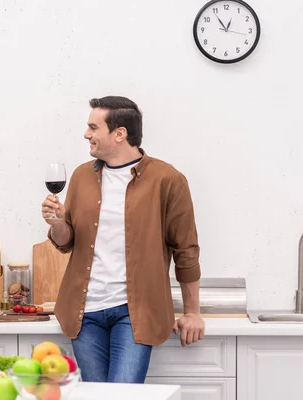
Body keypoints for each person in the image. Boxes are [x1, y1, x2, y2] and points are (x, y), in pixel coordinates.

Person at [41, 96, 205, 383]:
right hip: (85, 311)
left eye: (93, 127)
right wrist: (57, 224)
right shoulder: (81, 176)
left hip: (135, 313)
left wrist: (192, 312)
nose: (86, 134)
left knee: (123, 395)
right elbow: (66, 241)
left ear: (120, 134)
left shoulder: (167, 179)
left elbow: (186, 249)